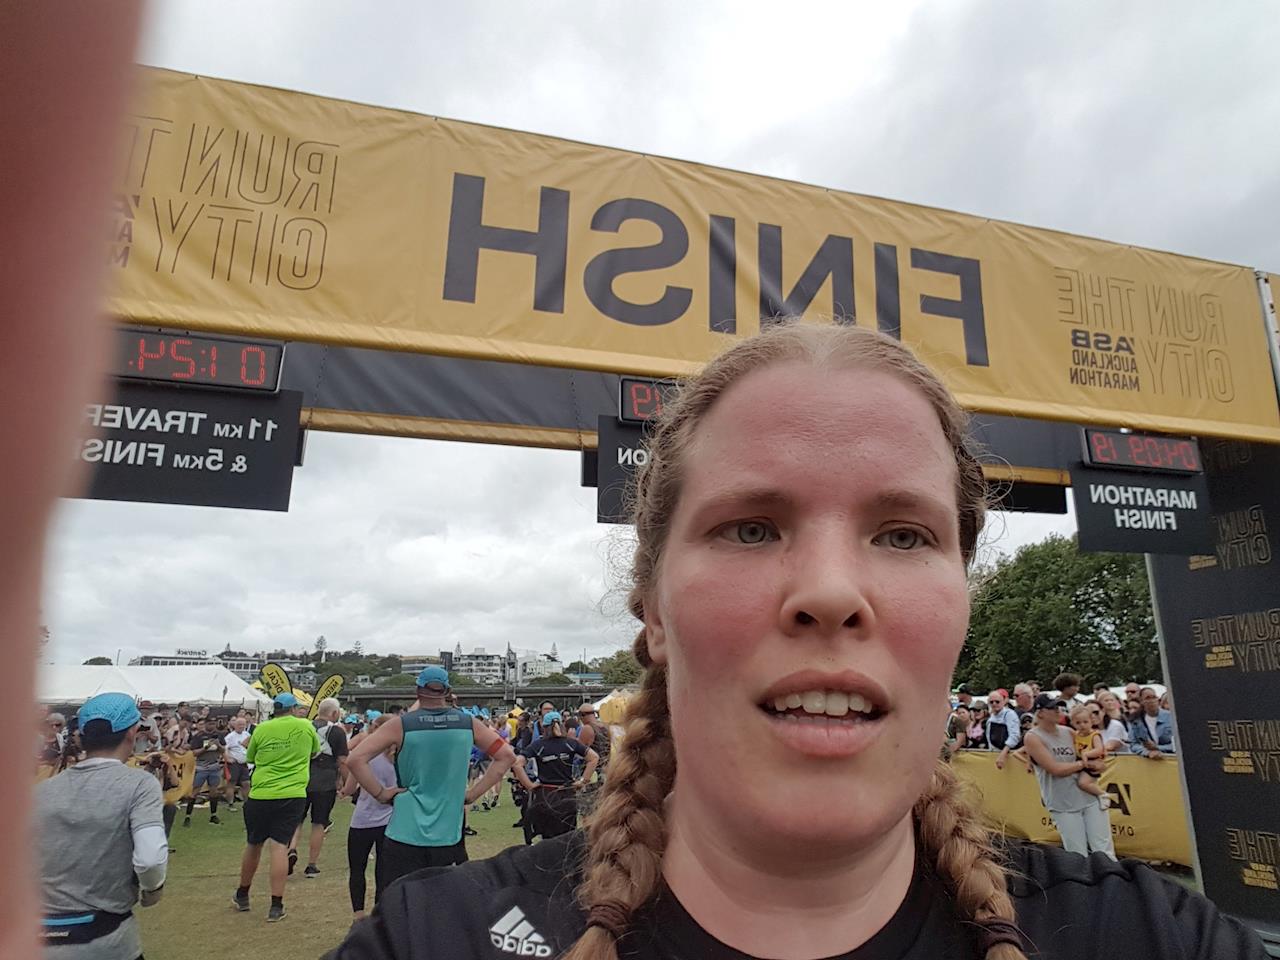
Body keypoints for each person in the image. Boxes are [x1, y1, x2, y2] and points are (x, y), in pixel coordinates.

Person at [327, 324, 1266, 960]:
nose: (829, 591)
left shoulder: (1152, 938)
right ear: (654, 612)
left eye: (904, 535)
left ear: (961, 603)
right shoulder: (435, 940)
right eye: (751, 528)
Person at [347, 667, 517, 884]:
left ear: (417, 691)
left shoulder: (400, 725)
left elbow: (355, 759)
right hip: (449, 834)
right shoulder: (469, 724)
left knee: (401, 899)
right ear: (448, 691)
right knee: (445, 900)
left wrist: (380, 794)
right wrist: (473, 794)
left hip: (404, 832)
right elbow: (506, 757)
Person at [34, 692, 167, 959]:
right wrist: (153, 889)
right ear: (131, 733)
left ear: (80, 737)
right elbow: (150, 858)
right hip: (107, 938)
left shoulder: (44, 790)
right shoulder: (140, 784)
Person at [233, 692, 321, 922]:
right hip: (292, 794)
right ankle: (276, 905)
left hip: (261, 793)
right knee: (280, 846)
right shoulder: (305, 726)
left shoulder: (261, 729)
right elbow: (315, 752)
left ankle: (243, 894)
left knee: (253, 844)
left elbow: (250, 757)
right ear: (293, 709)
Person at [1023, 694, 1115, 861]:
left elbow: (1095, 756)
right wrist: (1084, 764)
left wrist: (1098, 762)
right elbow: (1055, 769)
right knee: (1077, 854)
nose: (1058, 710)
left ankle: (1112, 877)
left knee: (1104, 850)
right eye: (1053, 708)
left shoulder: (1069, 732)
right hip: (1062, 802)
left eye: (1059, 707)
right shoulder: (1033, 737)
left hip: (1088, 797)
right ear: (1040, 712)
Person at [340, 715, 397, 920]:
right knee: (384, 871)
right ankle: (380, 914)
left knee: (357, 869)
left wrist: (343, 792)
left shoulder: (363, 756)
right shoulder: (398, 757)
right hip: (389, 820)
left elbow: (349, 788)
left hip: (362, 819)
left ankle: (358, 915)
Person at [513, 711, 599, 842]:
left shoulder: (538, 745)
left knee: (547, 839)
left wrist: (529, 785)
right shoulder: (571, 743)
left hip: (545, 796)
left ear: (544, 727)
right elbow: (594, 758)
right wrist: (583, 781)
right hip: (567, 795)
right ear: (562, 725)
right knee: (567, 838)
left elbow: (517, 764)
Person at [291, 697, 349, 878]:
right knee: (319, 823)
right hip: (325, 780)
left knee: (297, 820)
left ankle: (291, 849)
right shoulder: (337, 732)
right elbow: (342, 760)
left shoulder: (303, 727)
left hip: (301, 778)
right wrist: (346, 782)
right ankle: (311, 865)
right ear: (334, 713)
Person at [184, 716, 226, 826]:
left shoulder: (219, 735)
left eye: (214, 724)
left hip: (214, 766)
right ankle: (188, 816)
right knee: (195, 791)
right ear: (206, 724)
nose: (212, 726)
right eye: (210, 724)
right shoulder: (198, 736)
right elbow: (194, 752)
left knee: (214, 791)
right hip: (201, 767)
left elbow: (223, 750)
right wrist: (205, 748)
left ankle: (213, 815)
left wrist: (218, 745)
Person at [1066, 705, 1110, 808]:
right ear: (1072, 723)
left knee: (1083, 783)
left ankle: (1102, 794)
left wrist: (1086, 754)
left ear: (1091, 721)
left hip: (1092, 762)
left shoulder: (1094, 735)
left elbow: (1099, 749)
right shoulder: (1075, 735)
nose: (1082, 725)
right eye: (1078, 723)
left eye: (1085, 722)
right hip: (1080, 762)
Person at [1129, 687, 1176, 758]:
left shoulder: (1171, 717)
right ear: (1141, 701)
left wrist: (1157, 748)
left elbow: (1178, 744)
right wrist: (1147, 752)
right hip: (1149, 760)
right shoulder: (1137, 721)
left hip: (1171, 759)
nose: (1152, 701)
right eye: (1147, 698)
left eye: (1154, 697)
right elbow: (1133, 745)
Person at [984, 689, 1020, 769]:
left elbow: (1015, 736)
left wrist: (1003, 753)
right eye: (991, 702)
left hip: (1008, 756)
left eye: (997, 701)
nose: (994, 704)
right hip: (994, 754)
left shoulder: (1010, 714)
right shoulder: (990, 718)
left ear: (1003, 702)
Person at [574, 702, 612, 777]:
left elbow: (579, 749)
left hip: (591, 769)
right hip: (604, 767)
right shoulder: (604, 726)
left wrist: (572, 740)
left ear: (582, 715)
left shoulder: (587, 728)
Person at [224, 715, 253, 809]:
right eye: (239, 724)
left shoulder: (247, 735)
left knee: (246, 783)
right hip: (234, 764)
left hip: (244, 763)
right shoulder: (230, 736)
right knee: (231, 783)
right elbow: (225, 748)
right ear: (235, 725)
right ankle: (230, 804)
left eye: (243, 724)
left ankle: (247, 803)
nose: (241, 726)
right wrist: (228, 758)